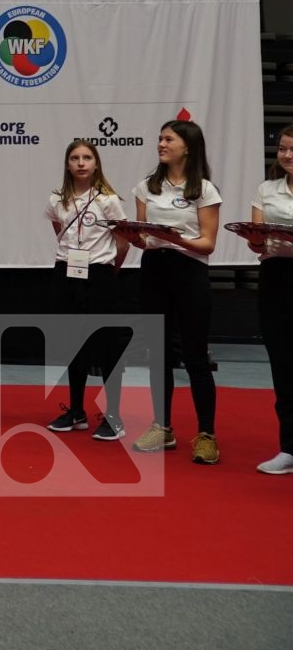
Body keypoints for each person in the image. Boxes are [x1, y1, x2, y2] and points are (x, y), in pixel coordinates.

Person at [130, 119, 222, 465]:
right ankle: (162, 427)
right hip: (154, 270)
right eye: (160, 138)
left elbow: (208, 244)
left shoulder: (205, 190)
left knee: (196, 356)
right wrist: (131, 235)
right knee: (159, 355)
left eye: (168, 139)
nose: (161, 144)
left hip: (190, 272)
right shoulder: (146, 187)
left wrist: (175, 239)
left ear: (188, 146)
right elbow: (143, 236)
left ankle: (207, 434)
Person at [41, 139, 133, 441]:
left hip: (101, 275)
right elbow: (61, 233)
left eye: (87, 158)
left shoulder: (108, 200)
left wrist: (109, 268)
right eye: (75, 158)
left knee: (108, 346)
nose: (81, 163)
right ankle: (77, 410)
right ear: (67, 164)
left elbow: (123, 241)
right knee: (72, 343)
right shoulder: (58, 199)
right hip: (66, 274)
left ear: (96, 164)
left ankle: (114, 415)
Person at [244, 124, 293, 475]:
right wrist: (256, 238)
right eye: (283, 149)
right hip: (276, 277)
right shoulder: (267, 189)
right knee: (283, 363)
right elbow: (257, 243)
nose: (287, 156)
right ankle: (288, 448)